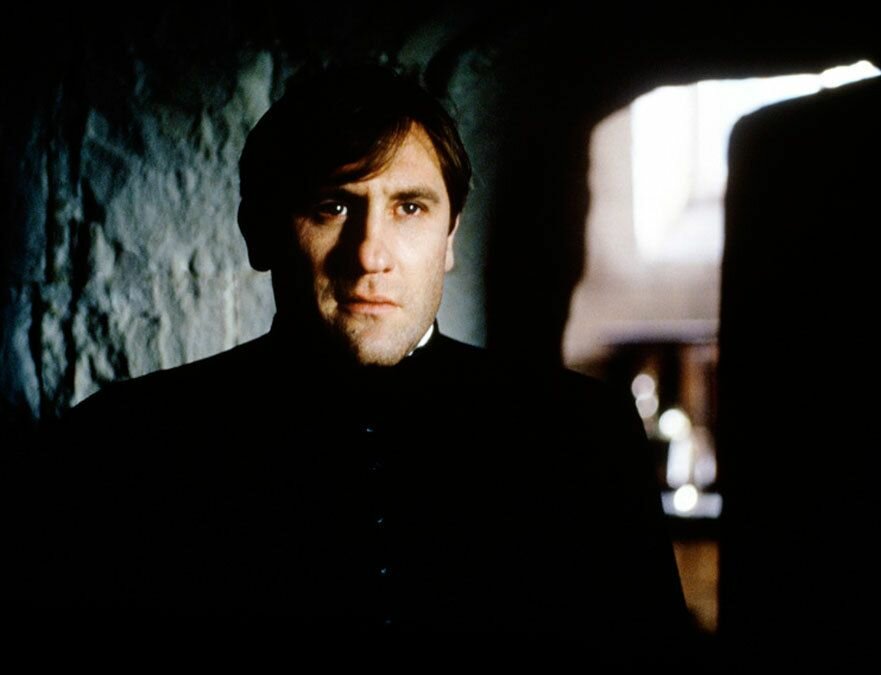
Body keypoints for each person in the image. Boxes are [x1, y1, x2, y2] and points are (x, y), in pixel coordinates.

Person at [25, 65, 689, 657]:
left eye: (410, 207)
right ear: (260, 231)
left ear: (448, 236)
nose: (371, 253)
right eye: (333, 205)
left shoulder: (583, 435)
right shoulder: (126, 444)